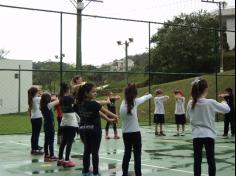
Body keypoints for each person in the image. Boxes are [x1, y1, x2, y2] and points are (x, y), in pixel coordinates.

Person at [186, 78, 230, 176]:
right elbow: (227, 110)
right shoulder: (210, 102)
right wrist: (224, 103)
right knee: (211, 160)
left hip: (196, 135)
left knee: (197, 160)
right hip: (209, 135)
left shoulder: (190, 103)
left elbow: (187, 116)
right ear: (206, 89)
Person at [74, 83, 118, 176]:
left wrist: (109, 119)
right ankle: (95, 173)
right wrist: (115, 116)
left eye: (96, 92)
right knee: (94, 152)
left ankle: (85, 171)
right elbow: (105, 111)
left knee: (87, 150)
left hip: (83, 129)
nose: (95, 93)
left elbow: (98, 113)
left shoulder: (80, 103)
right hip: (94, 130)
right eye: (93, 92)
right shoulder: (94, 103)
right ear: (86, 93)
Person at [119, 83, 152, 176]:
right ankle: (138, 174)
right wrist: (149, 95)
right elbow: (145, 98)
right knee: (137, 156)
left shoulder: (122, 103)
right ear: (135, 94)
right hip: (136, 133)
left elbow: (138, 99)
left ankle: (124, 174)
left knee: (127, 154)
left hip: (126, 133)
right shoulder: (135, 102)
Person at [57, 83, 80, 168]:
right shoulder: (69, 97)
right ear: (67, 90)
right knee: (69, 142)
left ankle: (60, 159)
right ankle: (67, 160)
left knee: (63, 141)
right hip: (71, 121)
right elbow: (75, 101)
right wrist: (76, 90)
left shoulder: (60, 98)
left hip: (64, 121)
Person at [40, 93, 59, 162]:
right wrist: (55, 98)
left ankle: (47, 154)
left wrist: (51, 98)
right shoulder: (48, 105)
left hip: (46, 124)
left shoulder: (43, 105)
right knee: (51, 140)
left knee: (46, 140)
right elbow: (58, 101)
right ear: (48, 99)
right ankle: (52, 155)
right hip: (50, 125)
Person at [27, 87, 43, 155]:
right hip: (37, 118)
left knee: (34, 134)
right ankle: (35, 149)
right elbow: (45, 98)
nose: (38, 92)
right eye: (37, 91)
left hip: (33, 118)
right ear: (35, 92)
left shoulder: (32, 99)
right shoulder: (36, 99)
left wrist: (39, 92)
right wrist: (41, 93)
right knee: (36, 134)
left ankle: (34, 147)